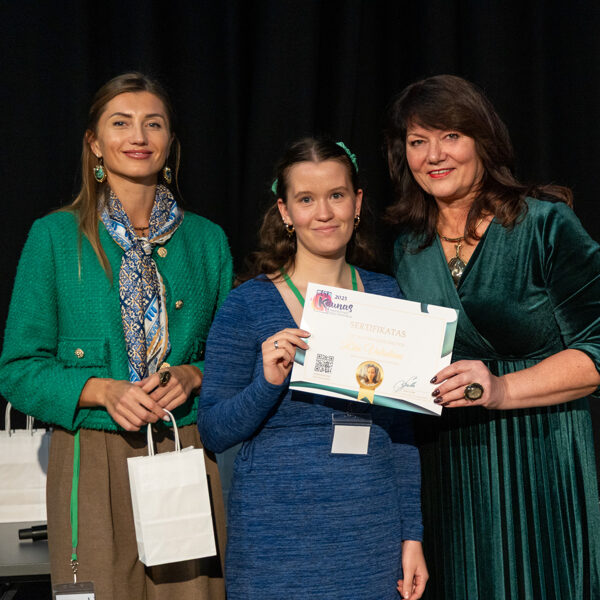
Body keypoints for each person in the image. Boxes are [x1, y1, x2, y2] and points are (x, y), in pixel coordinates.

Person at [0, 73, 233, 599]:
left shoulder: (207, 241)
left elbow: (233, 359)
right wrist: (103, 391)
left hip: (183, 448)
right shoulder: (54, 237)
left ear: (170, 142)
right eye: (121, 123)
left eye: (154, 124)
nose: (139, 136)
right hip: (91, 456)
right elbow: (17, 370)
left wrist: (193, 375)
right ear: (95, 143)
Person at [385, 74, 600, 600]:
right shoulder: (408, 249)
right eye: (418, 141)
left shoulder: (545, 225)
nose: (434, 155)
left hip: (542, 455)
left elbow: (596, 351)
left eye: (451, 136)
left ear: (482, 139)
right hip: (449, 465)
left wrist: (501, 389)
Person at [197, 137, 428, 600]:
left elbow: (402, 431)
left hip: (370, 531)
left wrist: (412, 536)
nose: (324, 213)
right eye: (306, 199)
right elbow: (214, 431)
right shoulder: (247, 304)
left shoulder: (387, 296)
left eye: (336, 195)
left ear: (356, 202)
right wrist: (266, 383)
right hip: (274, 536)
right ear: (285, 211)